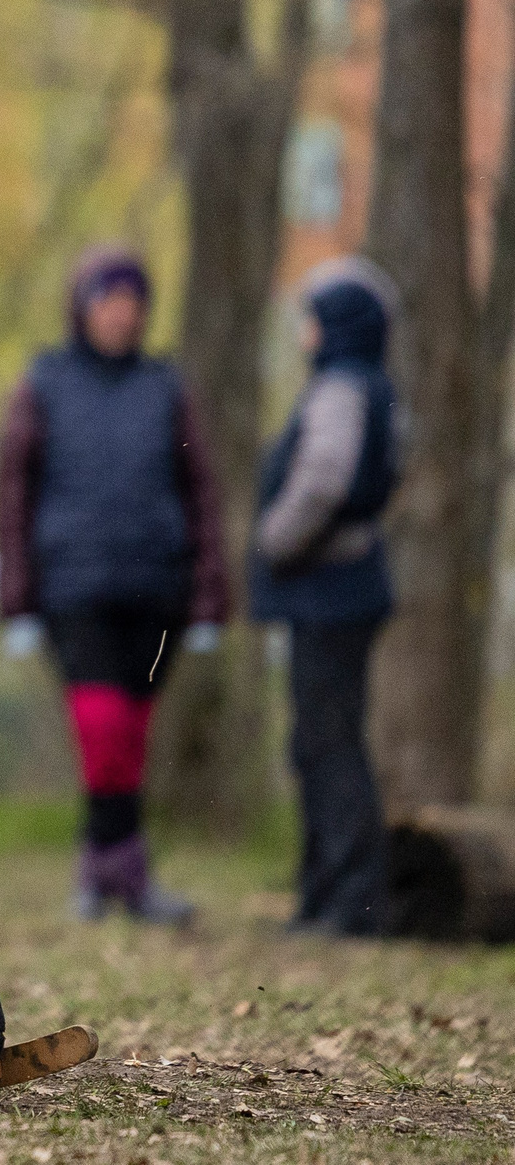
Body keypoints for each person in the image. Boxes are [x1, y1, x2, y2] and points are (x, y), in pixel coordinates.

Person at [0, 246, 226, 924]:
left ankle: (113, 871)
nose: (122, 315)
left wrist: (210, 594)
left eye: (133, 303)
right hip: (74, 586)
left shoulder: (167, 386)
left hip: (159, 588)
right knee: (101, 727)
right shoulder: (44, 382)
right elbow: (14, 487)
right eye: (109, 301)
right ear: (84, 307)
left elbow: (202, 490)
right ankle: (114, 865)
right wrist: (17, 596)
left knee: (132, 736)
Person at [252, 257, 401, 938]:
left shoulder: (342, 387)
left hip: (331, 590)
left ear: (338, 324)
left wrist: (272, 539)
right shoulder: (367, 385)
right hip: (342, 589)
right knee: (319, 741)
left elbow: (322, 482)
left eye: (314, 316)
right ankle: (325, 894)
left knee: (328, 743)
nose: (305, 329)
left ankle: (350, 900)